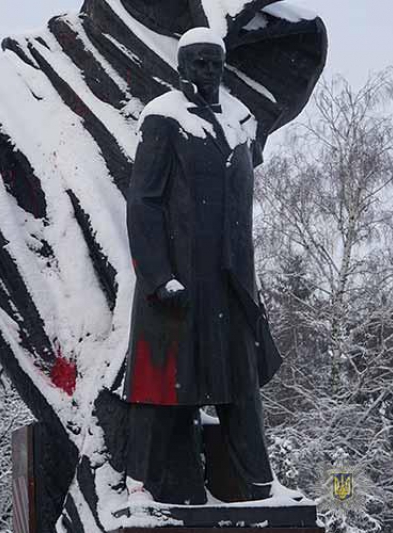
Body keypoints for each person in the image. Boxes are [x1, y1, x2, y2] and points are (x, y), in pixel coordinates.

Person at [124, 27, 282, 505]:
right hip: (180, 277)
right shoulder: (163, 119)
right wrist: (158, 276)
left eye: (215, 63)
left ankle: (260, 486)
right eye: (199, 62)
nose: (209, 71)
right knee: (170, 385)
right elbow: (144, 202)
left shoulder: (239, 121)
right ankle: (150, 488)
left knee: (241, 384)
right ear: (182, 67)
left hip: (230, 279)